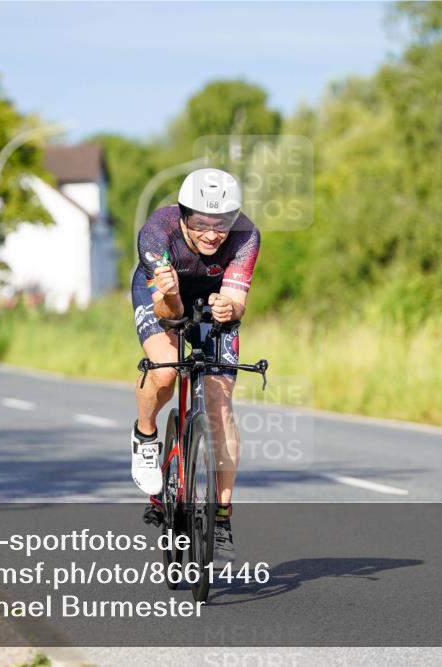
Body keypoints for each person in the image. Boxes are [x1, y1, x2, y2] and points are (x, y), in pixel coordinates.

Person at [130, 168, 260, 564]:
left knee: (220, 408)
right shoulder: (157, 233)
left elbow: (236, 301)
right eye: (201, 223)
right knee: (166, 370)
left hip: (213, 298)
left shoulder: (247, 236)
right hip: (164, 295)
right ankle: (146, 436)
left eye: (221, 223)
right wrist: (169, 294)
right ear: (184, 214)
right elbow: (169, 313)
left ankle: (221, 518)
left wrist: (227, 307)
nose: (211, 233)